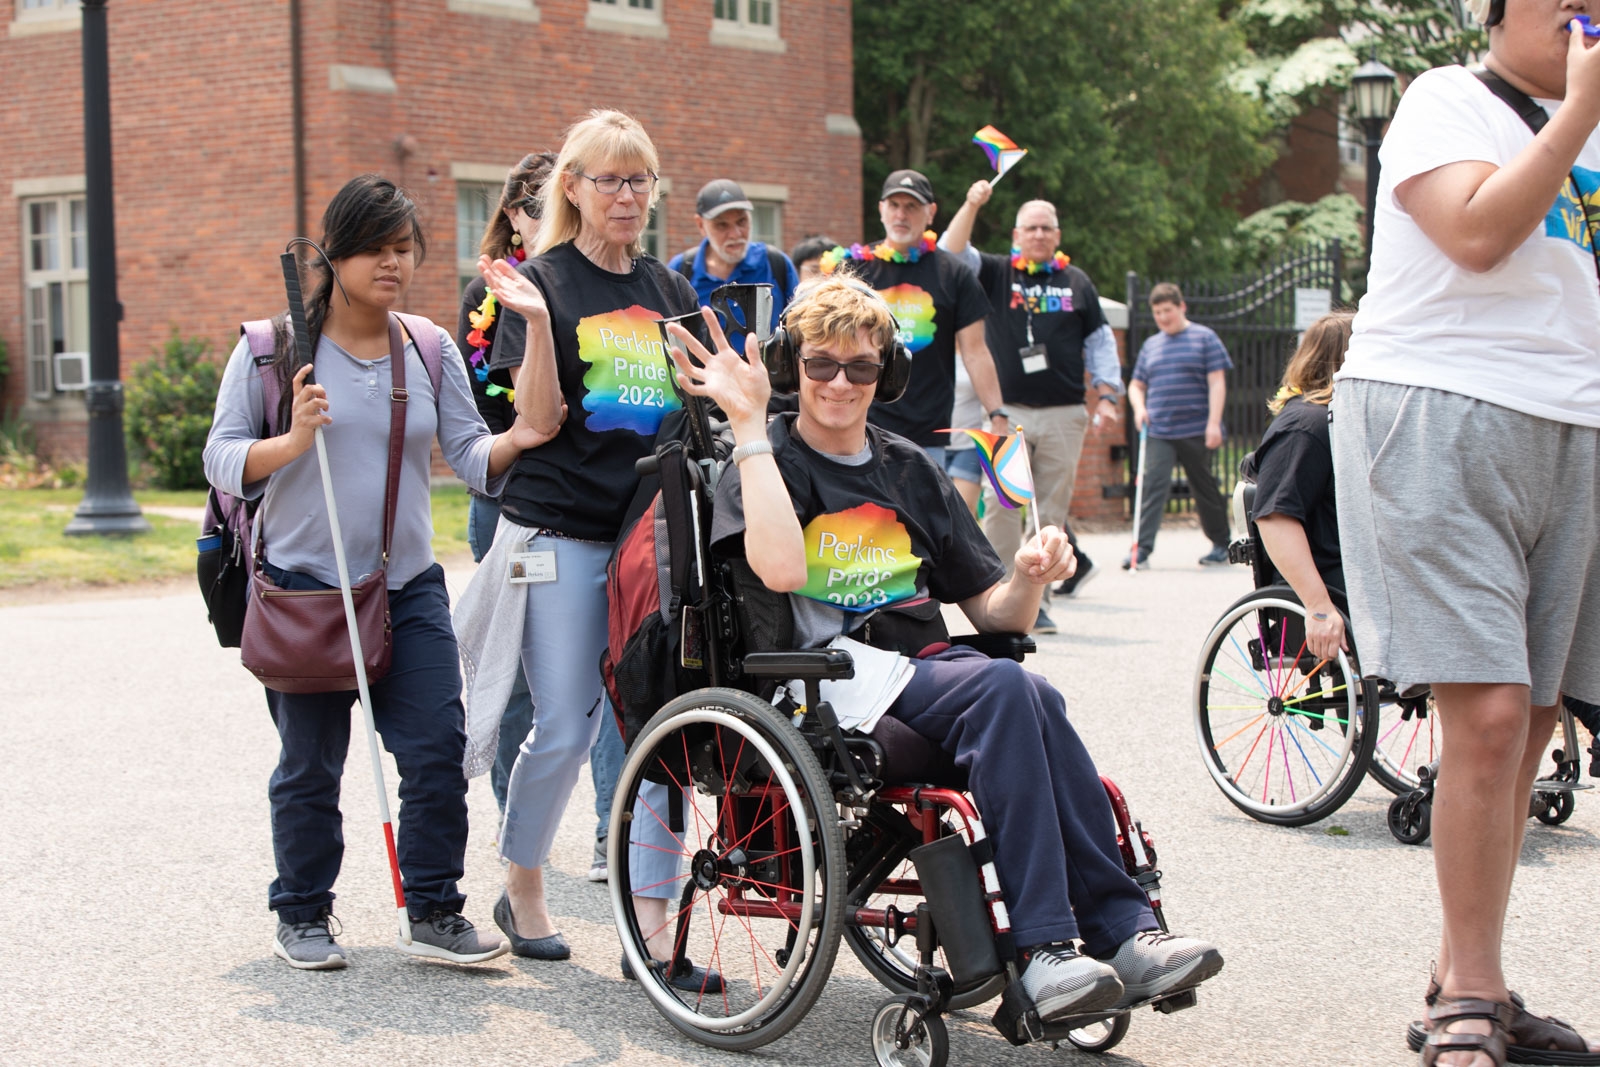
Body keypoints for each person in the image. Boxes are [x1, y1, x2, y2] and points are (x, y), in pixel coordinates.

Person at [664, 275, 1224, 1024]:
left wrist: (1029, 576)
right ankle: (1053, 947)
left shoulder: (909, 469)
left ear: (886, 374)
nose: (839, 382)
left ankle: (1119, 935)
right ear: (792, 364)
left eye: (861, 367)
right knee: (1006, 691)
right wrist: (753, 425)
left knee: (1030, 691)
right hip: (830, 687)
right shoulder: (766, 460)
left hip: (923, 679)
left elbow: (991, 609)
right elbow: (781, 570)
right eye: (821, 364)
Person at [1332, 3, 1600, 1064]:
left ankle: (1461, 972)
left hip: (1571, 423)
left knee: (1530, 718)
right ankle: (1472, 1000)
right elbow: (1479, 234)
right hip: (1437, 407)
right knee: (1486, 713)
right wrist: (1577, 113)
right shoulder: (1446, 99)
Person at [204, 174, 553, 969]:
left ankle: (433, 907)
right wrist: (290, 442)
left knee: (437, 746)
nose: (394, 263)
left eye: (405, 248)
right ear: (335, 253)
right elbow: (220, 458)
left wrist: (522, 439)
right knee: (310, 764)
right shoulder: (271, 348)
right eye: (376, 248)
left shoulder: (428, 346)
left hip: (405, 587)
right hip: (304, 590)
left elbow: (469, 455)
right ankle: (302, 911)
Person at [459, 110, 717, 989]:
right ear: (572, 187)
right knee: (565, 722)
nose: (627, 196)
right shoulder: (542, 283)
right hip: (559, 528)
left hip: (651, 537)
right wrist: (533, 323)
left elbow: (702, 405)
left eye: (640, 179)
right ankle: (522, 880)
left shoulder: (668, 286)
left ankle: (654, 926)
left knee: (657, 725)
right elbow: (537, 422)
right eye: (608, 179)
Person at [939, 181, 1126, 626]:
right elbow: (950, 251)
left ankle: (1039, 603)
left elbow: (1101, 344)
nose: (1039, 235)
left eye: (1047, 228)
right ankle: (1004, 598)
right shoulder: (997, 272)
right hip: (1008, 412)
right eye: (1031, 228)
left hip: (1064, 414)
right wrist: (970, 203)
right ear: (1016, 235)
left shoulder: (1076, 282)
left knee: (1051, 511)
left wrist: (1108, 396)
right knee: (1002, 507)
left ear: (1057, 235)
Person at [456, 152, 556, 819]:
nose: (548, 218)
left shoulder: (584, 285)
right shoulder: (488, 299)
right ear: (513, 217)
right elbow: (490, 409)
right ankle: (511, 815)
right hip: (506, 504)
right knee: (515, 674)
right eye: (536, 206)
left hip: (580, 505)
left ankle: (613, 820)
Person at [820, 169, 1008, 464]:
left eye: (911, 207)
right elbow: (822, 343)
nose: (901, 215)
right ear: (881, 209)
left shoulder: (954, 274)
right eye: (894, 205)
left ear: (931, 213)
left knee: (923, 510)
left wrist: (997, 413)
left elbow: (975, 352)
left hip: (926, 433)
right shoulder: (850, 269)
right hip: (857, 425)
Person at [1239, 310, 1354, 663]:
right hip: (1339, 586)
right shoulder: (1307, 426)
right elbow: (1275, 517)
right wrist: (1320, 608)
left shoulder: (1344, 420)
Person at [1126, 283, 1232, 568]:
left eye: (1167, 310)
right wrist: (1139, 408)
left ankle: (1221, 543)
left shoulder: (1205, 338)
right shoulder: (1151, 345)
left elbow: (1217, 382)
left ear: (1181, 307)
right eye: (1157, 312)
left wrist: (1214, 423)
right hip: (1160, 429)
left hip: (1197, 428)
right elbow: (1136, 385)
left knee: (1204, 487)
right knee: (1152, 486)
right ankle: (1141, 549)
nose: (1162, 317)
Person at [668, 179, 799, 342]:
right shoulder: (681, 270)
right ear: (701, 225)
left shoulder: (775, 263)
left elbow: (800, 328)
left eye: (741, 221)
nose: (735, 234)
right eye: (722, 225)